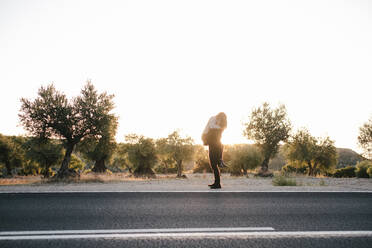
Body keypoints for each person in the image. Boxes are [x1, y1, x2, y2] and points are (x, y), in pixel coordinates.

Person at [202, 112, 227, 189]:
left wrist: (220, 127)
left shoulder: (221, 124)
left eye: (222, 120)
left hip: (215, 143)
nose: (220, 122)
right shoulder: (213, 119)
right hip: (211, 141)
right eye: (220, 119)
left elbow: (219, 128)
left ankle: (217, 183)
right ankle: (217, 183)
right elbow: (211, 126)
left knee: (213, 164)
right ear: (218, 117)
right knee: (213, 165)